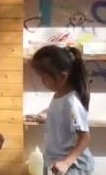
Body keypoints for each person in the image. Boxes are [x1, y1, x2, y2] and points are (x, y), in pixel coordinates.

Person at [31, 45, 95, 175]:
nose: (42, 82)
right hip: (58, 163)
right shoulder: (59, 95)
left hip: (73, 166)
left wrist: (66, 163)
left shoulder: (72, 102)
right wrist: (49, 118)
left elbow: (84, 138)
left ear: (63, 76)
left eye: (45, 78)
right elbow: (63, 120)